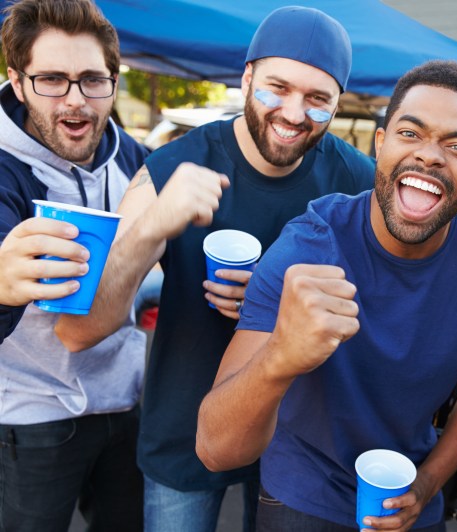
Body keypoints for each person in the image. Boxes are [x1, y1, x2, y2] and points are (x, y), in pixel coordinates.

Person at [56, 6, 377, 531]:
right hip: (183, 425)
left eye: (318, 99)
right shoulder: (170, 168)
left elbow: (414, 251)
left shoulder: (356, 178)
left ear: (337, 104)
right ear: (246, 77)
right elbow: (80, 329)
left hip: (298, 436)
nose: (294, 113)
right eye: (278, 87)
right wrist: (154, 224)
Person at [195, 59, 457, 532]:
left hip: (410, 502)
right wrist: (282, 355)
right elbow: (215, 450)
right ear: (380, 144)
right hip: (301, 495)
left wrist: (429, 480)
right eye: (410, 134)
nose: (429, 156)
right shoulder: (309, 245)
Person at [0, 0, 149, 529]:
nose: (76, 101)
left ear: (113, 79)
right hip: (33, 417)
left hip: (125, 405)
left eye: (92, 80)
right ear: (17, 83)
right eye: (52, 80)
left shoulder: (134, 156)